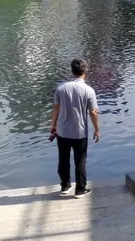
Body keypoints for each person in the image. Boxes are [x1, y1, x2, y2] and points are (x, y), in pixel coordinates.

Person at [50, 59, 100, 198]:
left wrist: (53, 125)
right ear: (85, 71)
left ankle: (65, 186)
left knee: (63, 159)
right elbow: (93, 112)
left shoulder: (61, 88)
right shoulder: (89, 90)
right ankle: (80, 189)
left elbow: (55, 109)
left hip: (62, 131)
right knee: (80, 161)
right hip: (80, 132)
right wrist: (97, 129)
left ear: (71, 71)